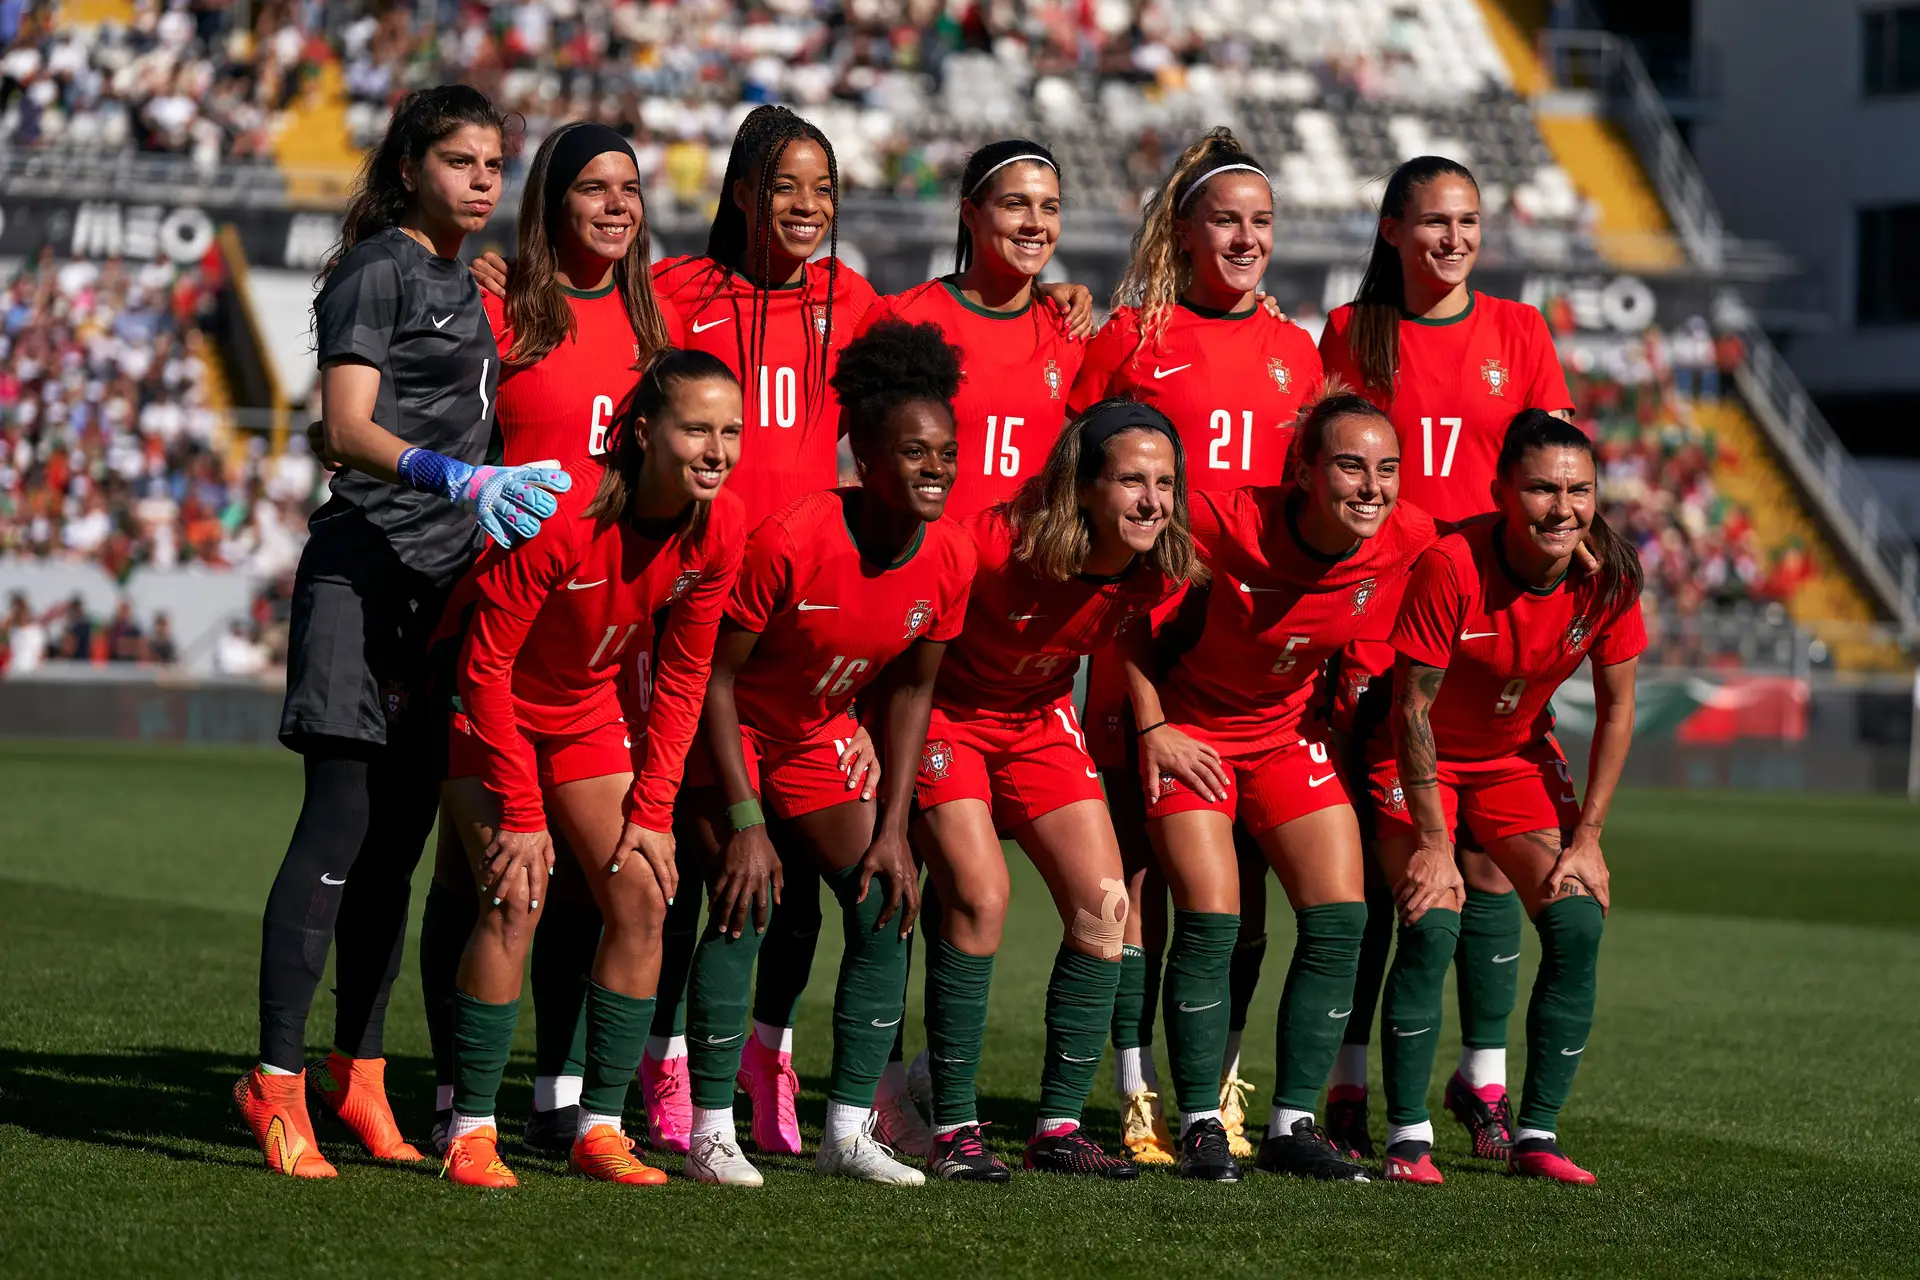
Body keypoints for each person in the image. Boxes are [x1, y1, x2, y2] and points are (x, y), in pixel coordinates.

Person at [236, 85, 569, 1179]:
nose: (482, 181)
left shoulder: (465, 282)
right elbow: (342, 425)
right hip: (364, 574)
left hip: (444, 590)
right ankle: (274, 1079)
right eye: (461, 161)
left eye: (493, 165)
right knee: (337, 825)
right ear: (413, 163)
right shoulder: (378, 266)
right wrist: (455, 475)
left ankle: (359, 1073)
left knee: (397, 848)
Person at [413, 118, 686, 1160]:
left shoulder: (660, 315)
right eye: (593, 190)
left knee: (614, 884)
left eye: (630, 189)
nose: (617, 206)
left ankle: (577, 1106)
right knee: (482, 882)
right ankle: (457, 1098)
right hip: (487, 636)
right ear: (550, 201)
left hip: (593, 658)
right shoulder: (496, 303)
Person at [1067, 127, 1322, 1164]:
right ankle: (1135, 1093)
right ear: (1185, 229)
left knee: (1240, 897)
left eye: (1262, 222)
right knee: (1132, 880)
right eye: (1228, 219)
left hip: (1250, 669)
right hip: (1141, 650)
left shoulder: (1297, 351)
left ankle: (1212, 1085)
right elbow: (1074, 482)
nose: (1247, 238)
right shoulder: (1131, 336)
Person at [1316, 156, 1577, 1162]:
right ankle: (1348, 1082)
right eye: (1434, 222)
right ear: (1392, 230)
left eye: (1468, 221)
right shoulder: (1352, 332)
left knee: (1487, 863)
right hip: (1379, 621)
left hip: (1486, 625)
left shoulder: (1520, 330)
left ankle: (1482, 1081)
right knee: (1387, 878)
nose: (1453, 239)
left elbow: (1556, 456)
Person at [437, 350, 745, 1188]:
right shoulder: (564, 512)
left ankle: (600, 1128)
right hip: (487, 714)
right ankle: (469, 1130)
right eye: (696, 429)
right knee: (517, 894)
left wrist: (653, 808)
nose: (716, 450)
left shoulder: (720, 528)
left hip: (581, 717)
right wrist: (521, 811)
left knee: (644, 894)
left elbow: (683, 678)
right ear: (644, 432)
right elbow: (483, 670)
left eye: (731, 431)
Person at [676, 320, 974, 1187]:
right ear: (865, 459)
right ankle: (707, 1130)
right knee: (748, 898)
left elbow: (912, 693)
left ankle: (848, 1134)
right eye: (914, 452)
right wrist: (744, 822)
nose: (935, 469)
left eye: (946, 453)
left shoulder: (950, 557)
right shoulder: (794, 538)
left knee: (887, 900)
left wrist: (893, 828)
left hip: (812, 739)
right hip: (721, 737)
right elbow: (712, 681)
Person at [1123, 387, 1436, 1182]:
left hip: (1285, 740)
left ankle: (1292, 1126)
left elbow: (1476, 565)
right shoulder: (1224, 521)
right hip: (1193, 738)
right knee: (1212, 919)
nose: (1373, 487)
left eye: (1388, 470)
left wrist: (1591, 552)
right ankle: (1200, 1124)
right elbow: (1118, 606)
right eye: (1351, 467)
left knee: (1341, 919)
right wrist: (1155, 727)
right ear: (1302, 471)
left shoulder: (1408, 536)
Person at [912, 400, 1202, 1182]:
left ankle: (1059, 1125)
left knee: (1105, 909)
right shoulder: (989, 544)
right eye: (1132, 481)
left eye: (1165, 483)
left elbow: (1129, 624)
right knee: (981, 898)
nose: (1152, 500)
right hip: (947, 718)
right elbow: (905, 633)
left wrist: (1152, 724)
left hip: (1038, 720)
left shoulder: (1150, 562)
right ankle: (953, 1125)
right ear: (1082, 486)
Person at [1368, 409, 1642, 1186]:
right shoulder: (1452, 564)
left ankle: (1536, 1135)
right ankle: (1408, 1137)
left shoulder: (1610, 577)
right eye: (1542, 489)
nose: (1563, 508)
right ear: (1502, 492)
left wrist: (1587, 837)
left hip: (1512, 760)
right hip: (1417, 755)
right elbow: (1411, 707)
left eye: (1579, 489)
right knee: (1431, 919)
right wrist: (1431, 843)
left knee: (1579, 918)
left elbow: (1618, 710)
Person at [860, 139, 1084, 525]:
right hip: (927, 572)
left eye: (1050, 207)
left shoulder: (1069, 326)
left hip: (1029, 575)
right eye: (1015, 204)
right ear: (970, 213)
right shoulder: (905, 319)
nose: (1036, 222)